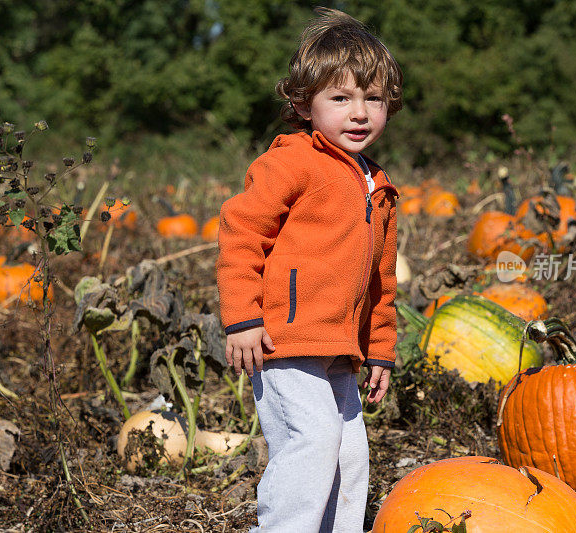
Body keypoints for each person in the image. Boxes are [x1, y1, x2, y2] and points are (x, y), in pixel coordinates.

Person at [216, 7, 402, 532]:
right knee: (311, 441)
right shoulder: (291, 162)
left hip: (341, 350)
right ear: (303, 103)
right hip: (284, 339)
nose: (359, 112)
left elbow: (380, 283)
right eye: (340, 98)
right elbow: (241, 231)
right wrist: (243, 317)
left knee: (349, 457)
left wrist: (380, 350)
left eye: (373, 99)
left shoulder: (378, 186)